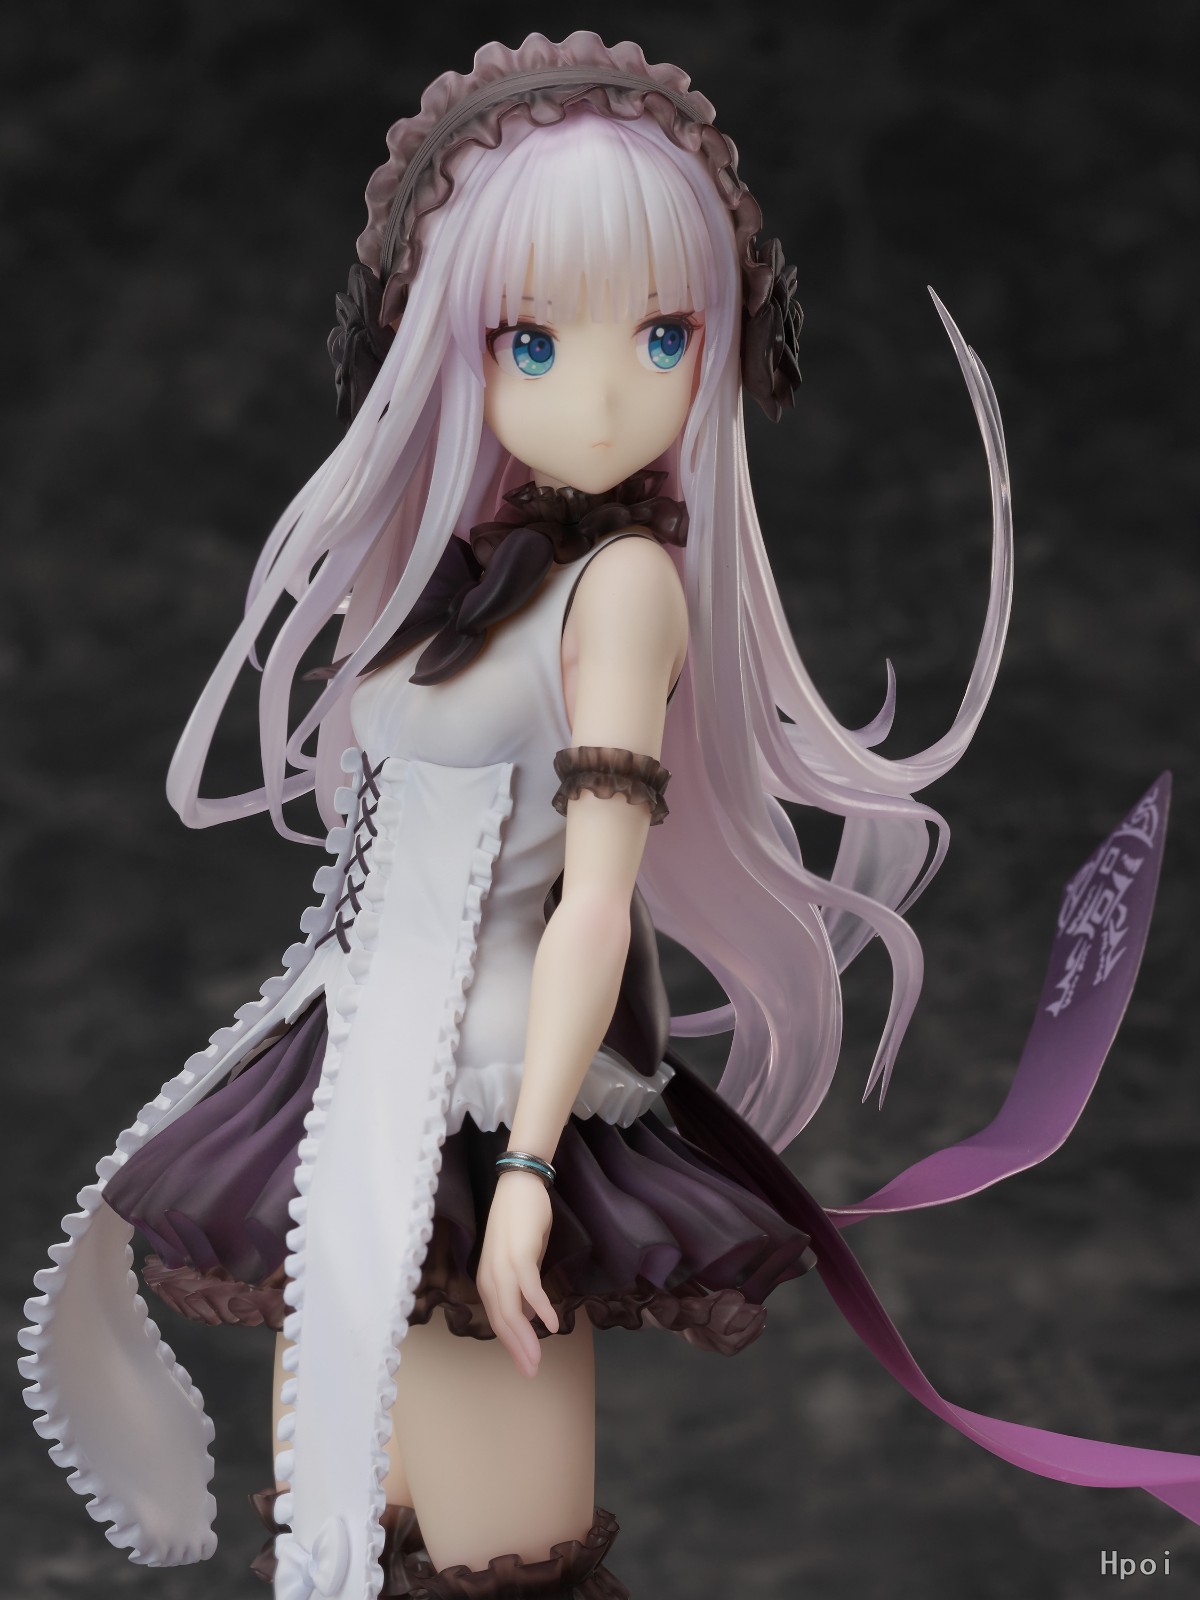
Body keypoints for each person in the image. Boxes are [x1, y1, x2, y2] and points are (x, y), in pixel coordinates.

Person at [18, 32, 1200, 1600]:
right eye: (532, 338)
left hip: (498, 1104)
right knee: (337, 1535)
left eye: (661, 335)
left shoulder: (625, 586)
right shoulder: (459, 582)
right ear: (450, 345)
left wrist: (523, 1173)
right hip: (359, 1089)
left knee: (494, 1555)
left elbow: (596, 899)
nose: (599, 394)